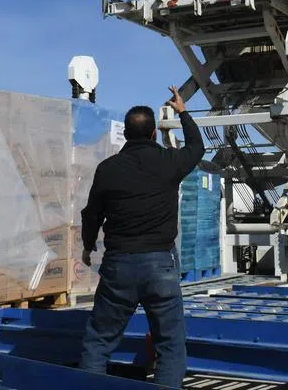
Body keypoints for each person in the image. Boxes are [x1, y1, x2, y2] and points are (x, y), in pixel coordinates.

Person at [78, 86, 205, 388]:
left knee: (98, 342)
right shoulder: (169, 162)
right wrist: (183, 112)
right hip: (160, 266)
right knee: (170, 345)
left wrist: (87, 246)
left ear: (126, 133)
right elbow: (197, 147)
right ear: (154, 135)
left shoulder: (107, 169)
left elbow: (91, 213)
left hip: (118, 265)